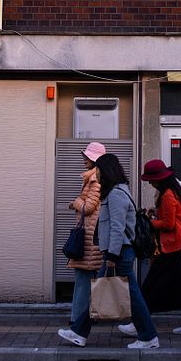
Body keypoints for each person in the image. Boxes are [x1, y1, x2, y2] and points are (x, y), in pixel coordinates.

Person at [58, 153, 160, 349]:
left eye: (98, 170)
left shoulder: (116, 194)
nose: (96, 173)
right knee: (99, 292)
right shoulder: (116, 191)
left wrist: (112, 255)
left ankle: (149, 337)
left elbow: (117, 227)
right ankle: (79, 333)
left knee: (132, 295)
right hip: (117, 252)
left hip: (119, 253)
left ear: (106, 171)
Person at [117, 159, 181, 337]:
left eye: (151, 180)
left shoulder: (167, 195)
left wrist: (148, 222)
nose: (150, 183)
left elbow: (168, 224)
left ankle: (138, 324)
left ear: (158, 179)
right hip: (176, 245)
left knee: (150, 286)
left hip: (169, 247)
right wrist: (155, 213)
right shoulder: (174, 191)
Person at [64, 142, 105, 341]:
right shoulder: (94, 177)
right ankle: (87, 317)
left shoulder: (95, 180)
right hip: (91, 236)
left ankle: (76, 322)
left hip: (89, 238)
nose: (84, 159)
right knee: (89, 280)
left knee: (82, 281)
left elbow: (88, 207)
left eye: (87, 157)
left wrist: (75, 202)